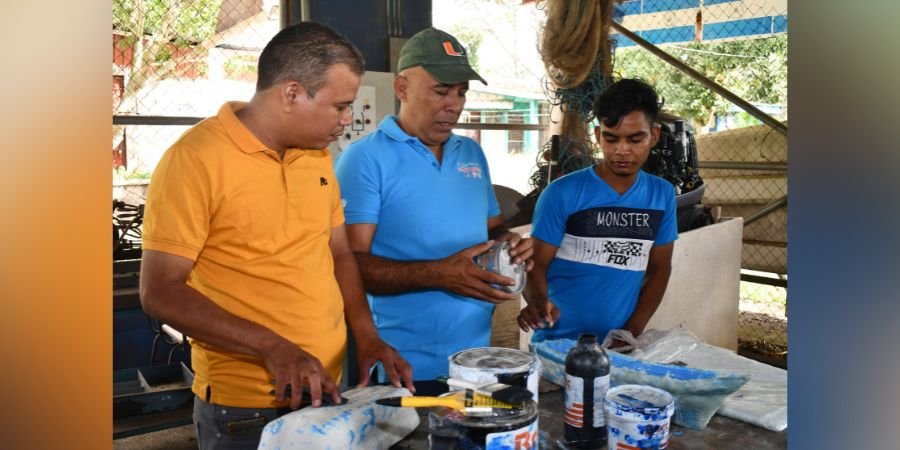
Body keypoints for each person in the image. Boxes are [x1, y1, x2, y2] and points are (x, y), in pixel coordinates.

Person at [139, 22, 412, 449]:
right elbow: (160, 292)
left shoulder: (318, 156)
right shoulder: (194, 160)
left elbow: (338, 252)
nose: (347, 120)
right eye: (339, 106)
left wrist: (367, 333)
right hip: (248, 407)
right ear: (291, 93)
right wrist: (272, 346)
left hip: (328, 386)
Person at [334, 28, 533, 385]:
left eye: (461, 93)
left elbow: (491, 230)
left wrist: (510, 246)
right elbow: (347, 264)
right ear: (402, 88)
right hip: (401, 365)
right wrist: (438, 274)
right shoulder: (364, 159)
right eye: (441, 90)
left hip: (475, 362)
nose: (453, 104)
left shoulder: (471, 153)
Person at [517, 78, 677, 345]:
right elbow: (537, 265)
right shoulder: (562, 193)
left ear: (655, 136)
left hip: (618, 348)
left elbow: (660, 269)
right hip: (557, 346)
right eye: (611, 138)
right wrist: (538, 301)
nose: (621, 150)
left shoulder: (661, 195)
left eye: (635, 139)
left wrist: (631, 332)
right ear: (598, 135)